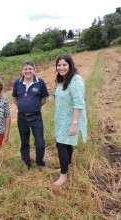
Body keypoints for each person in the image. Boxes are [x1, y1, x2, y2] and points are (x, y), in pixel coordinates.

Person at [54, 54, 87, 186]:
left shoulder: (75, 80)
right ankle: (66, 166)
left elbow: (79, 103)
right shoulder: (63, 80)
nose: (61, 68)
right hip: (62, 119)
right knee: (67, 144)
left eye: (64, 65)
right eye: (59, 65)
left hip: (71, 119)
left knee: (61, 144)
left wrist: (74, 124)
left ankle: (63, 175)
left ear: (70, 65)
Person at [12, 60, 49, 170]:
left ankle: (40, 162)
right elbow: (15, 98)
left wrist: (34, 107)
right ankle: (26, 161)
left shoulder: (40, 82)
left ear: (34, 70)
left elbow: (43, 99)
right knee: (24, 141)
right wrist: (22, 107)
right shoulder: (17, 83)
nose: (27, 71)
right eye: (25, 69)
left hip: (36, 117)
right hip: (22, 117)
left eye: (30, 68)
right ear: (22, 71)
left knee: (40, 142)